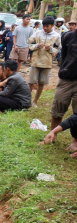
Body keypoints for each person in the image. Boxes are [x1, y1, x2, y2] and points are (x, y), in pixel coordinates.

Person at [49, 22, 77, 152]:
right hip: (66, 79)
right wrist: (65, 69)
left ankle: (75, 142)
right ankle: (52, 135)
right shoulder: (67, 36)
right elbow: (64, 57)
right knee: (57, 108)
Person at [27, 16, 61, 107]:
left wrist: (50, 49)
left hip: (47, 62)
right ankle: (27, 100)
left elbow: (58, 49)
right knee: (31, 82)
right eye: (44, 26)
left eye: (47, 26)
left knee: (41, 83)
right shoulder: (37, 33)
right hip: (36, 60)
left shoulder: (56, 36)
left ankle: (35, 101)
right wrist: (37, 46)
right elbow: (30, 43)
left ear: (53, 25)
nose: (45, 28)